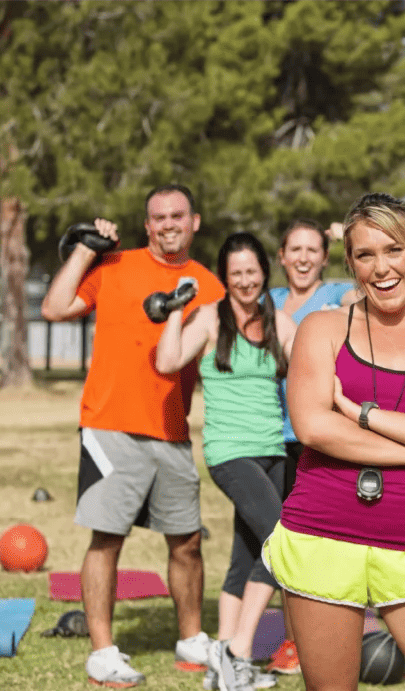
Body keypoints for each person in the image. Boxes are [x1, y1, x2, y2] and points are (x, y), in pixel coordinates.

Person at [264, 192, 405, 691]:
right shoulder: (321, 328)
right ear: (350, 263)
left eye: (392, 249)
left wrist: (364, 415)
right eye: (364, 255)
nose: (381, 267)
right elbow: (313, 428)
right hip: (322, 536)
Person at [41, 184, 226, 688]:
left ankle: (191, 639)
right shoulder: (114, 265)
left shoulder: (209, 285)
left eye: (178, 215)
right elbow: (54, 308)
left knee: (186, 541)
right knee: (108, 538)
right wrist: (85, 247)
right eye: (158, 217)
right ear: (147, 226)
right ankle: (102, 651)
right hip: (110, 422)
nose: (168, 224)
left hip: (172, 429)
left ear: (195, 222)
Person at [155, 232, 296, 691]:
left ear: (263, 273)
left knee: (247, 556)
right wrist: (176, 311)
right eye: (235, 273)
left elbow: (316, 366)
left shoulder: (282, 321)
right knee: (282, 541)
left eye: (251, 272)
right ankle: (236, 651)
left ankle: (224, 667)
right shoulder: (213, 319)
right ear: (225, 277)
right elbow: (167, 360)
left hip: (273, 450)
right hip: (229, 454)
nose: (244, 281)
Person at [265, 218, 355, 675]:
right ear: (281, 256)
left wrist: (349, 244)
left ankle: (336, 635)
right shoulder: (270, 301)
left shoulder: (336, 296)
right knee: (289, 543)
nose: (302, 257)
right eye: (294, 249)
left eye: (312, 250)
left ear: (324, 257)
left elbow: (367, 297)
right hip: (273, 437)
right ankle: (293, 640)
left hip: (320, 436)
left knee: (330, 542)